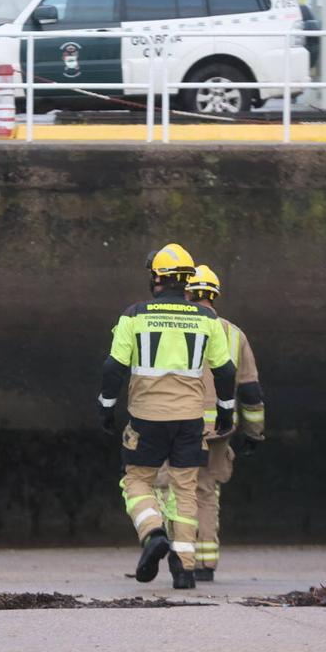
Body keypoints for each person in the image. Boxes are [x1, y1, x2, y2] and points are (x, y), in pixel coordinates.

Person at [98, 243, 236, 589]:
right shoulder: (207, 319)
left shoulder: (134, 315)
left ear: (157, 279)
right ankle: (185, 570)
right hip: (190, 420)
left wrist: (106, 406)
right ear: (187, 281)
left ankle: (153, 532)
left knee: (136, 479)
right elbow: (225, 370)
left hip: (146, 418)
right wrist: (225, 411)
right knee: (185, 488)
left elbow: (114, 367)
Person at [154, 265, 265, 582]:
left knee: (173, 490)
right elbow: (250, 390)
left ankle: (181, 557)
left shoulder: (175, 328)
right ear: (215, 295)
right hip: (219, 428)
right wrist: (254, 433)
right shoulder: (234, 334)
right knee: (205, 492)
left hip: (178, 423)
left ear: (187, 293)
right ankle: (205, 562)